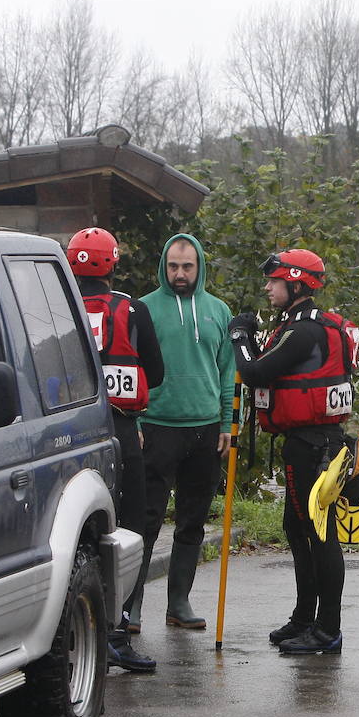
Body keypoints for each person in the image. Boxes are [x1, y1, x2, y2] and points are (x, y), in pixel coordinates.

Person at [228, 250, 356, 655]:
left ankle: (327, 629)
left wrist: (240, 336)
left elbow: (254, 373)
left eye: (275, 281)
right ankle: (304, 618)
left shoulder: (305, 332)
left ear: (297, 284)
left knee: (319, 534)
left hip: (315, 446)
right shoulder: (297, 326)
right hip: (307, 444)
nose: (268, 287)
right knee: (297, 530)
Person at [66, 227, 165, 672]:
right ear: (114, 265)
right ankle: (118, 630)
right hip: (120, 432)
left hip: (67, 436)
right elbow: (157, 374)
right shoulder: (133, 309)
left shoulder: (55, 306)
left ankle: (77, 630)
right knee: (129, 527)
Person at [133, 233, 235, 631]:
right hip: (155, 427)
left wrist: (227, 422)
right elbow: (132, 369)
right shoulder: (143, 309)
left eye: (187, 266)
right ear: (164, 266)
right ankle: (131, 604)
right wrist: (136, 420)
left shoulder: (218, 311)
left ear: (199, 267)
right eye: (173, 266)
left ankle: (179, 602)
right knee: (145, 521)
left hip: (205, 430)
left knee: (192, 520)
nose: (179, 273)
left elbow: (228, 370)